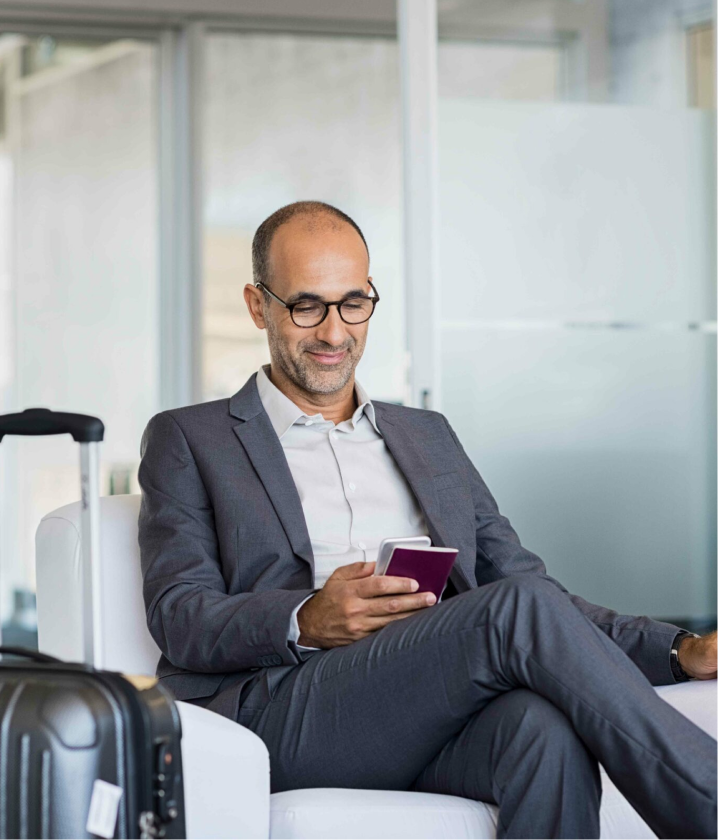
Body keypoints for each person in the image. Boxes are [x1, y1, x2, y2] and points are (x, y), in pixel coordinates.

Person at [137, 200, 718, 839]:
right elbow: (180, 614)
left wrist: (675, 648)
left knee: (541, 730)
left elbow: (532, 590)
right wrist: (307, 617)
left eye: (354, 303)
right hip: (290, 710)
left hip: (426, 701)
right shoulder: (191, 438)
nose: (335, 333)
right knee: (513, 610)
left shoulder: (427, 436)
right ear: (258, 306)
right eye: (307, 306)